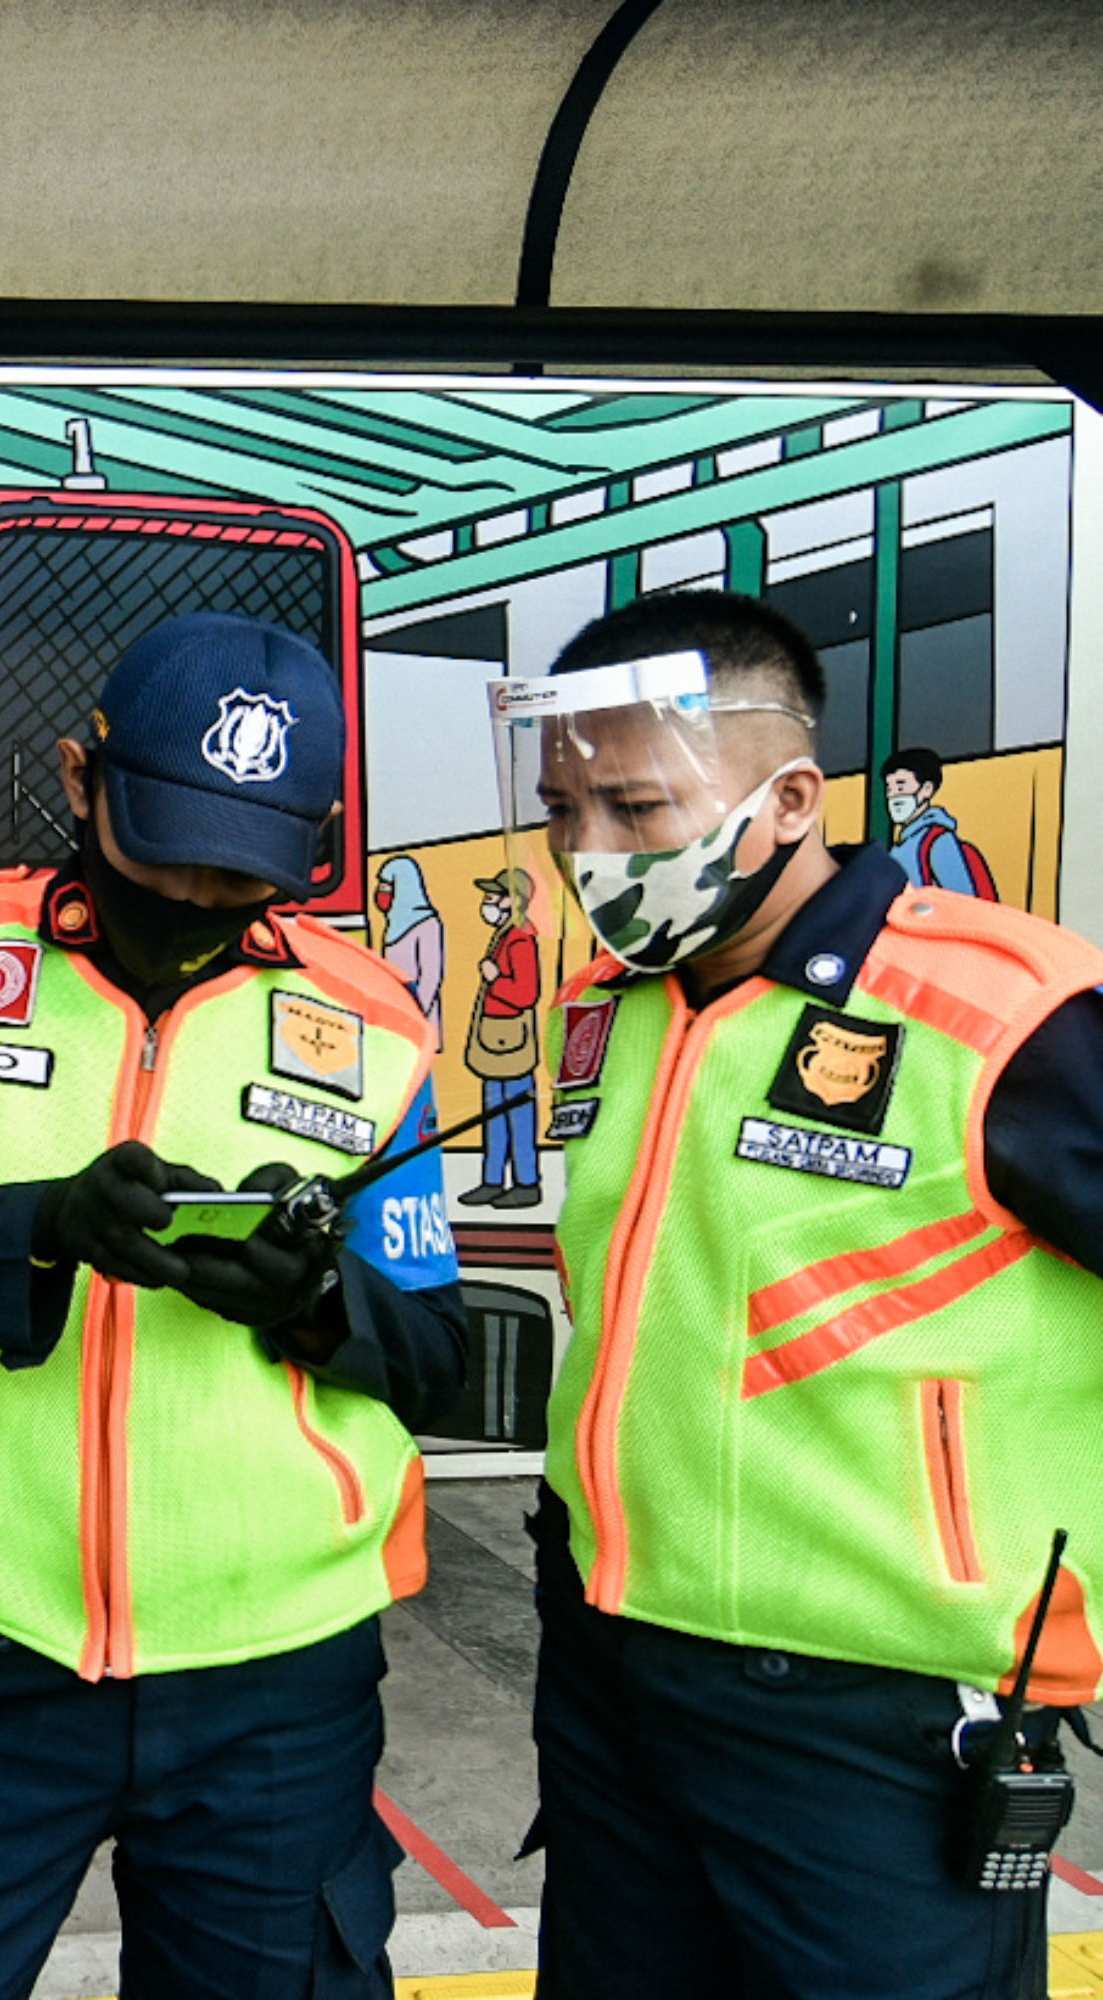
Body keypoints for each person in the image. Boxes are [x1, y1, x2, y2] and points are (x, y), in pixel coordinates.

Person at [0, 612, 469, 2000]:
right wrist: (40, 1232)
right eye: (166, 851)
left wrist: (321, 1299)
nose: (198, 900)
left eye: (241, 872)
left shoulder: (376, 1020)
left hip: (281, 1688)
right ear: (80, 779)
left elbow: (437, 1357)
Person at [497, 589, 1103, 1997]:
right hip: (615, 1675)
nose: (591, 851)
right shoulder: (632, 1010)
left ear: (784, 798)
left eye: (638, 809)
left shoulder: (1006, 1015)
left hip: (875, 1726)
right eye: (562, 810)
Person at [461, 866, 543, 1210]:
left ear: (513, 901)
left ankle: (527, 1183)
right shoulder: (505, 935)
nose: (487, 903)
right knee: (493, 1115)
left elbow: (526, 993)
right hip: (496, 1038)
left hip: (510, 1040)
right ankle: (492, 1180)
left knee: (517, 1116)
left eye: (493, 897)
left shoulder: (520, 940)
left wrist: (494, 978)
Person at [883, 746, 998, 899]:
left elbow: (962, 900)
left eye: (901, 786)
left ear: (926, 790)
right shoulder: (901, 845)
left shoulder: (938, 841)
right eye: (889, 788)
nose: (894, 795)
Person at [374, 854, 445, 1038]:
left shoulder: (427, 924)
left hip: (417, 1016)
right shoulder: (394, 924)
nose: (381, 894)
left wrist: (416, 1013)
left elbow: (431, 975)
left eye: (385, 887)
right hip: (398, 1011)